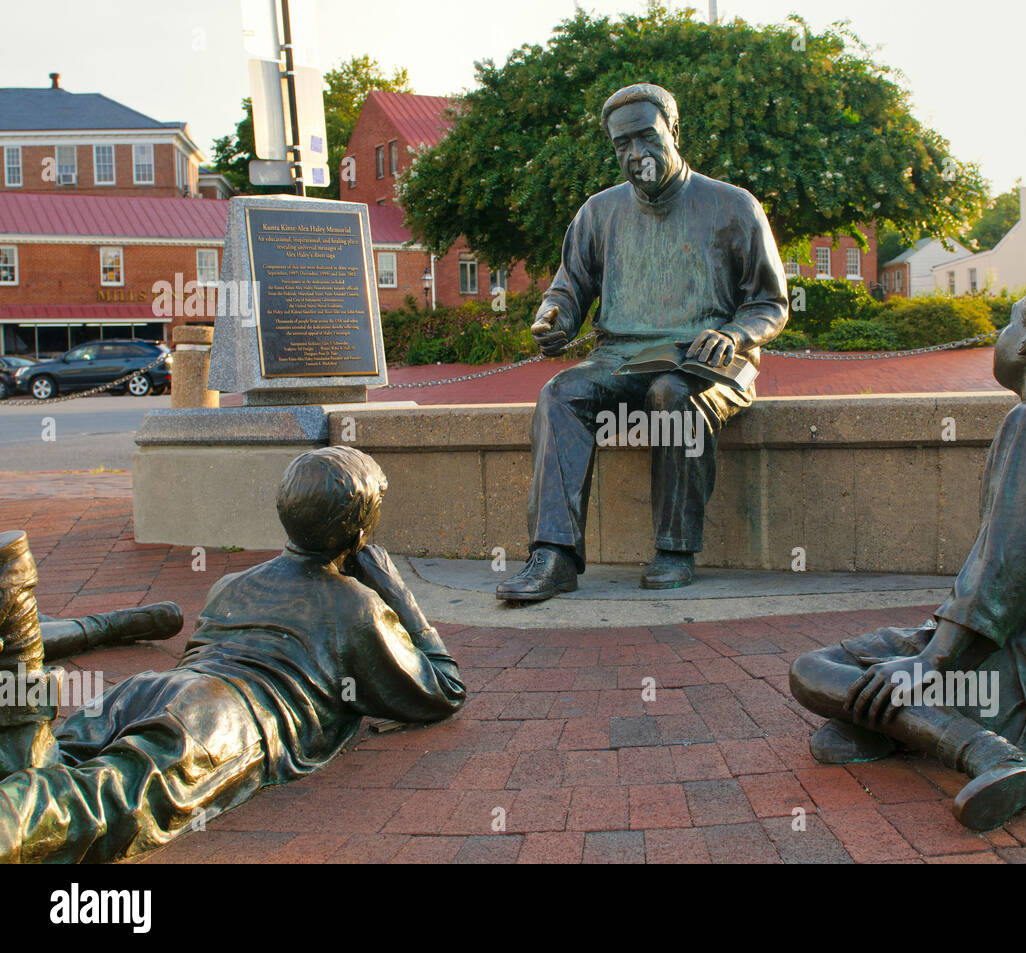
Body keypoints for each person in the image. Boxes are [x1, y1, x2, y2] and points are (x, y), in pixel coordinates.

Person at [788, 273, 1026, 830]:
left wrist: (930, 662)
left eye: (1009, 319)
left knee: (813, 671)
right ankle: (889, 725)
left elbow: (1005, 571)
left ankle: (994, 755)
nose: (1001, 331)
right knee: (857, 699)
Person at [0, 447, 466, 863]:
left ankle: (16, 610)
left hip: (149, 689)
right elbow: (444, 690)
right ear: (360, 534)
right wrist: (397, 593)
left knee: (42, 760)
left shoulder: (230, 584)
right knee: (99, 805)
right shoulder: (356, 606)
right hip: (225, 717)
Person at [496, 83, 788, 601]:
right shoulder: (598, 213)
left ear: (673, 132)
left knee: (672, 395)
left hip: (706, 363)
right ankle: (554, 555)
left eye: (646, 138)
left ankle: (675, 549)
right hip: (620, 359)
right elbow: (568, 288)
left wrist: (733, 334)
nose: (635, 155)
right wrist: (553, 317)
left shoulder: (733, 206)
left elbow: (769, 303)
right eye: (621, 145)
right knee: (560, 394)